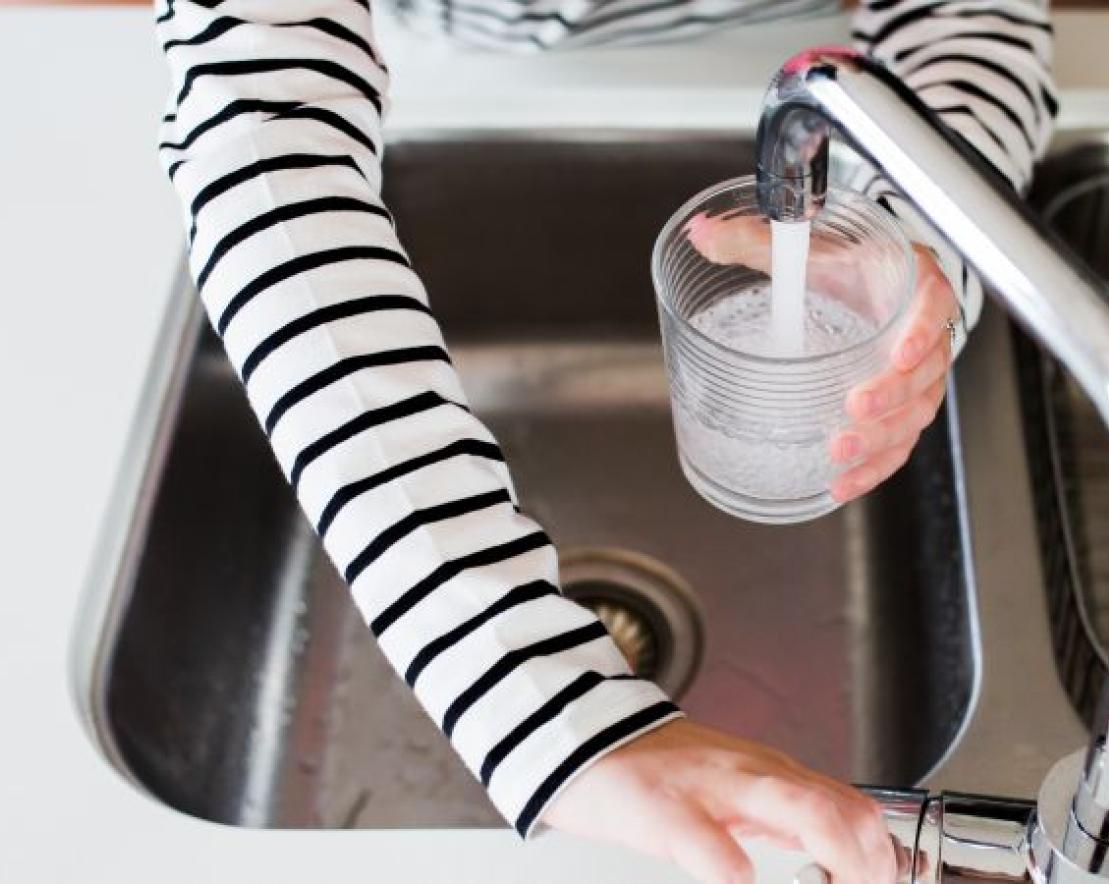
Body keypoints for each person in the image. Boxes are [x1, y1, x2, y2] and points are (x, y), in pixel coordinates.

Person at [153, 1, 1056, 881]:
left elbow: (970, 17)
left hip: (793, 52)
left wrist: (920, 237)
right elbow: (266, 116)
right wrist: (534, 696)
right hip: (421, 62)